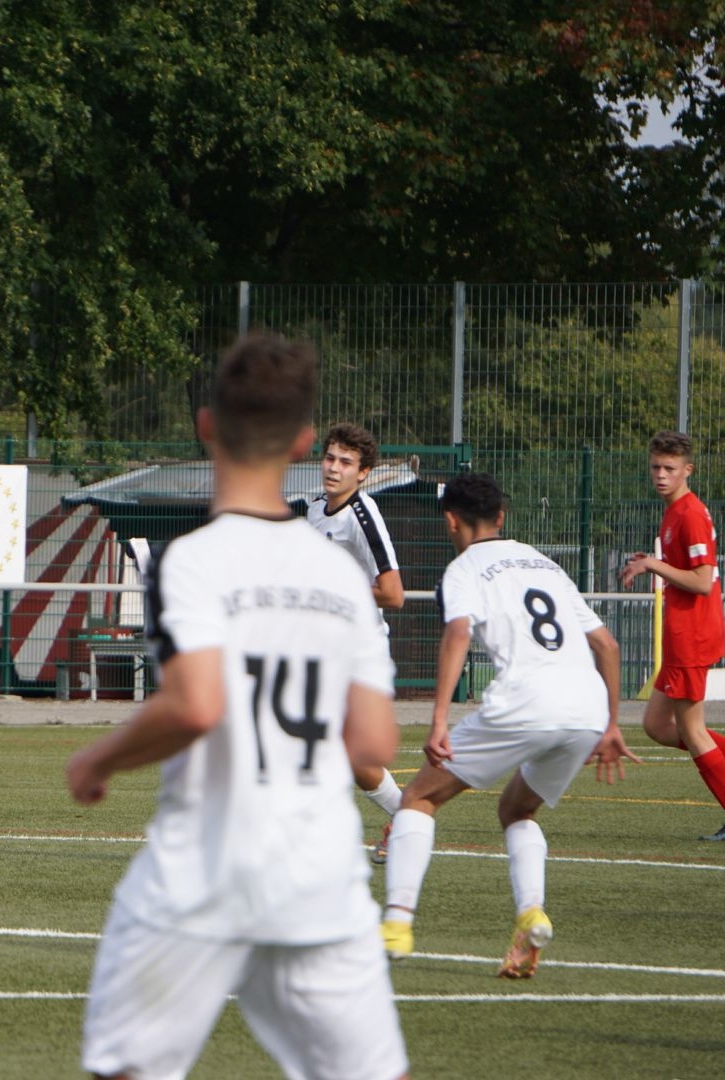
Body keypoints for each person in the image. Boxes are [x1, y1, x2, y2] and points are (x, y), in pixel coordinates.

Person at [66, 335, 408, 1080]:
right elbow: (373, 741)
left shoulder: (190, 560)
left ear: (207, 427)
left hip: (205, 869)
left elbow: (195, 706)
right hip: (319, 876)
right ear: (304, 442)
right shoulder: (340, 579)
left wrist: (97, 759)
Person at [381, 473, 636, 978]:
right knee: (518, 808)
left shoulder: (462, 569)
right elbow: (606, 645)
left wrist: (439, 719)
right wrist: (611, 723)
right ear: (501, 517)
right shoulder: (545, 563)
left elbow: (458, 633)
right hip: (587, 707)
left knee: (419, 798)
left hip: (525, 700)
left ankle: (396, 924)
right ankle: (530, 915)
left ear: (450, 521)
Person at [619, 430, 725, 840]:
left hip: (692, 635)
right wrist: (654, 561)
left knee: (693, 731)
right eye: (656, 467)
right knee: (657, 725)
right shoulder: (674, 510)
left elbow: (700, 581)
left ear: (687, 470)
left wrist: (653, 565)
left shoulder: (690, 514)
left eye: (669, 468)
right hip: (683, 634)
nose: (661, 475)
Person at [306, 421, 407, 862]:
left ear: (364, 473)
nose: (334, 468)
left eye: (346, 462)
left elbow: (393, 593)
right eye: (330, 458)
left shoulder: (362, 517)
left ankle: (408, 816)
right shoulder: (314, 509)